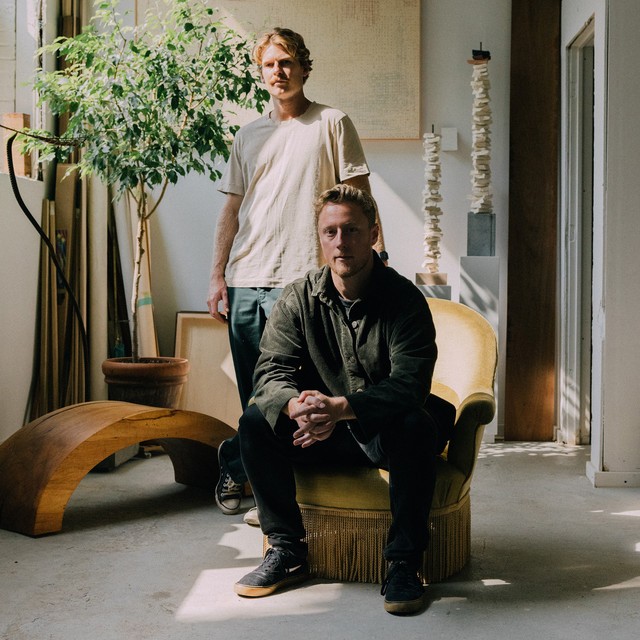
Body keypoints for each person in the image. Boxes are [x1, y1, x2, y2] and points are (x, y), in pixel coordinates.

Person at [233, 185, 453, 615]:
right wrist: (297, 407)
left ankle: (404, 562)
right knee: (255, 422)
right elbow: (270, 371)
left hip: (385, 430)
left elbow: (410, 384)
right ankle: (287, 550)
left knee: (415, 426)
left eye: (351, 230)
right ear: (320, 237)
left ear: (373, 233)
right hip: (321, 432)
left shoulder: (405, 299)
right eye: (330, 232)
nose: (340, 242)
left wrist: (341, 409)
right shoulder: (298, 297)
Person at [206, 27, 386, 517]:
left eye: (286, 62)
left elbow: (360, 199)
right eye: (269, 64)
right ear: (261, 72)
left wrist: (376, 258)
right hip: (247, 278)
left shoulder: (332, 122)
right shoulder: (247, 135)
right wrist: (217, 275)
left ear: (304, 67)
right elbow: (231, 210)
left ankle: (264, 474)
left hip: (307, 281)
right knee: (256, 399)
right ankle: (251, 477)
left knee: (308, 392)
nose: (278, 72)